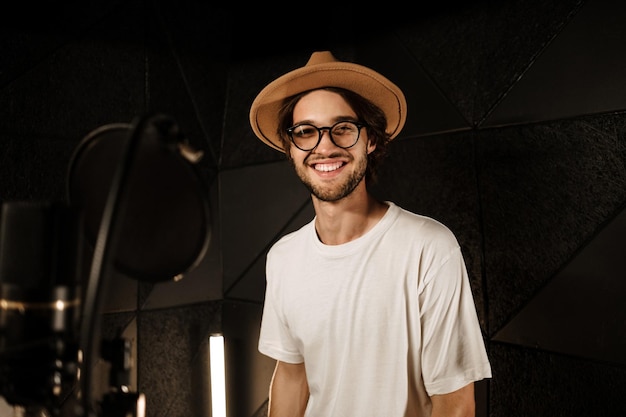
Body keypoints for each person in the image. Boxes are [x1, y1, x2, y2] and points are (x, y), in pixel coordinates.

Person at [249, 51, 492, 417]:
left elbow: (455, 403)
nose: (324, 146)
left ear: (371, 140)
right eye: (305, 132)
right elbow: (291, 377)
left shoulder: (429, 248)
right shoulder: (283, 258)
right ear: (291, 148)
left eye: (343, 128)